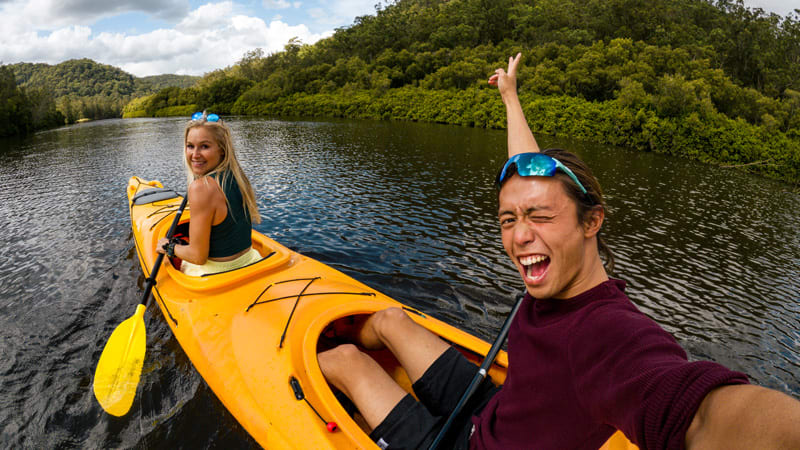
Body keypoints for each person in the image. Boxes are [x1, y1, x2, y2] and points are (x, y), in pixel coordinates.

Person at [317, 54, 800, 449]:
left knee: (343, 361)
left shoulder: (606, 333)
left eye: (540, 217)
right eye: (509, 219)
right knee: (390, 321)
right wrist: (510, 95)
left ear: (592, 221)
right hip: (492, 410)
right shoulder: (561, 268)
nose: (519, 236)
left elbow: (698, 415)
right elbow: (524, 174)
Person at [156, 111, 262, 276]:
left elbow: (198, 257)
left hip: (216, 272)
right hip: (252, 260)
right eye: (190, 146)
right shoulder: (238, 175)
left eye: (204, 146)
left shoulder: (200, 188)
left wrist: (168, 246)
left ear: (221, 149)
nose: (195, 155)